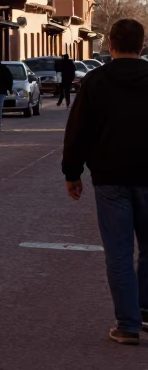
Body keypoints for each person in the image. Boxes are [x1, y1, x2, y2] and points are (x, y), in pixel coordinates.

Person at [62, 18, 148, 346]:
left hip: (110, 178)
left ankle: (127, 324)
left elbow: (77, 131)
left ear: (110, 43)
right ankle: (146, 309)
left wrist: (72, 173)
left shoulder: (96, 82)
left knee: (119, 251)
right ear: (141, 44)